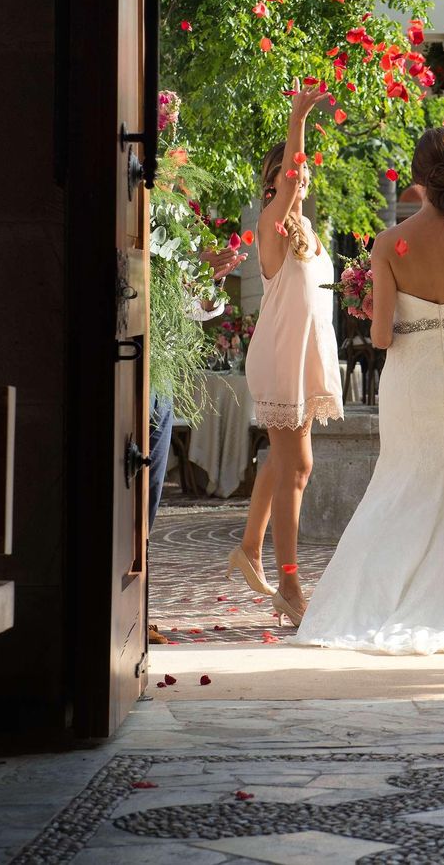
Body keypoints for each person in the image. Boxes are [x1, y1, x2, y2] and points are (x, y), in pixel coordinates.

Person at [295, 127, 444, 654]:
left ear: (417, 177)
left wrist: (399, 315)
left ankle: (372, 599)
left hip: (410, 378)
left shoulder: (387, 244)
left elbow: (380, 336)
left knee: (400, 483)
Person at [232, 89, 344, 628]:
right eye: (287, 174)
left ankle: (251, 547)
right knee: (298, 467)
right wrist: (298, 116)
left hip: (301, 358)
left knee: (282, 462)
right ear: (273, 181)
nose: (298, 180)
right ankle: (289, 582)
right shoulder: (271, 226)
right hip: (281, 360)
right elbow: (296, 176)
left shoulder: (305, 233)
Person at [147, 245, 244, 645]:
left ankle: (134, 607)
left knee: (148, 494)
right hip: (131, 366)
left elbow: (198, 308)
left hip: (159, 373)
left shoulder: (174, 227)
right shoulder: (133, 214)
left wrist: (211, 279)